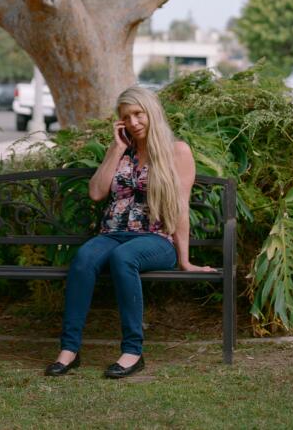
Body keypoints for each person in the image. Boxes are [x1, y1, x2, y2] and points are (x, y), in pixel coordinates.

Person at [44, 85, 216, 378]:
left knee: (124, 257)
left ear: (152, 113)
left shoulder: (177, 152)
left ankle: (133, 351)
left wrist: (185, 260)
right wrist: (116, 148)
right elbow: (97, 193)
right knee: (84, 258)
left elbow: (181, 207)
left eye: (139, 114)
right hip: (111, 234)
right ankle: (69, 350)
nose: (134, 122)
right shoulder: (124, 152)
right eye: (127, 117)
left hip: (155, 239)